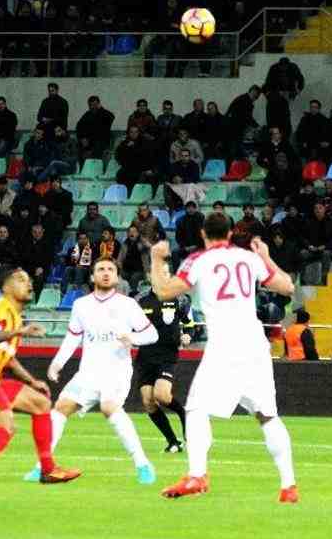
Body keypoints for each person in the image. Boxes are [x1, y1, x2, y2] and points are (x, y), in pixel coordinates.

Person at [149, 213, 299, 503]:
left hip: (225, 345)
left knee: (196, 409)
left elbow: (164, 292)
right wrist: (266, 256)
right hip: (255, 345)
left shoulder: (198, 260)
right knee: (267, 415)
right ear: (230, 233)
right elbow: (287, 287)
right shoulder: (249, 258)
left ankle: (197, 475)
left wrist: (156, 259)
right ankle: (288, 486)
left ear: (203, 234)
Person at [23, 257, 159, 484]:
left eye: (110, 269)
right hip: (88, 372)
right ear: (92, 276)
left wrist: (132, 337)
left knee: (108, 407)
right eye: (101, 269)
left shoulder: (128, 305)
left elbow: (152, 334)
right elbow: (73, 337)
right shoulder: (81, 305)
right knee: (61, 407)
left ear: (117, 276)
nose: (106, 273)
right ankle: (42, 467)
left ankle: (143, 464)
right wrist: (58, 363)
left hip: (116, 371)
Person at [0, 267, 82, 488]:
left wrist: (31, 381)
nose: (28, 284)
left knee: (41, 403)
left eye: (29, 279)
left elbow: (8, 360)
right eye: (21, 279)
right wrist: (19, 332)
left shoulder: (14, 317)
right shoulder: (0, 308)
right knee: (5, 427)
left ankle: (48, 470)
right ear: (6, 287)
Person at [135, 286, 192, 452]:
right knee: (148, 401)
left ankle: (183, 413)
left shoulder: (179, 299)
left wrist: (188, 334)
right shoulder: (140, 300)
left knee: (162, 396)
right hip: (145, 356)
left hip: (167, 355)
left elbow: (189, 323)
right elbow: (129, 324)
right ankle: (173, 442)